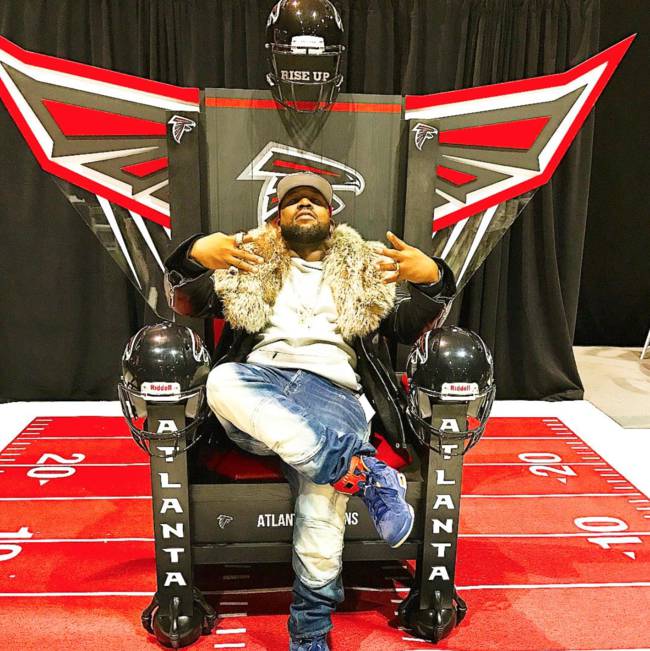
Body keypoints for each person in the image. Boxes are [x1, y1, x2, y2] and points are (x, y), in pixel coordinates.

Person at [164, 172, 456, 651]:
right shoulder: (247, 262)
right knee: (221, 381)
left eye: (314, 200)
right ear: (277, 217)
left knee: (321, 495)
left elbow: (409, 326)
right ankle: (364, 473)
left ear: (331, 217)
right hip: (260, 387)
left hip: (334, 393)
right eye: (292, 200)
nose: (303, 205)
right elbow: (186, 300)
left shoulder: (364, 270)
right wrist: (194, 256)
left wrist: (433, 279)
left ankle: (311, 633)